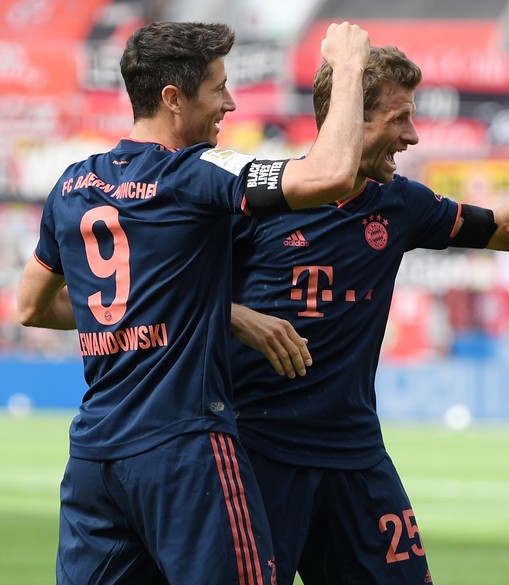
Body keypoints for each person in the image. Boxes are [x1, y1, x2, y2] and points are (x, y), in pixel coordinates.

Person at [228, 45, 509, 584]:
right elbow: (165, 290)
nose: (413, 136)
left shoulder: (398, 203)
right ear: (348, 120)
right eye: (398, 118)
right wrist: (237, 315)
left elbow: (507, 229)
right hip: (258, 452)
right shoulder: (257, 194)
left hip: (356, 453)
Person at [16, 20, 370, 585]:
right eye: (219, 87)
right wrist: (350, 66)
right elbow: (329, 174)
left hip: (94, 459)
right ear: (173, 99)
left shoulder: (72, 185)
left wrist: (210, 311)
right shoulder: (196, 171)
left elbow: (31, 306)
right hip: (185, 453)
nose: (230, 103)